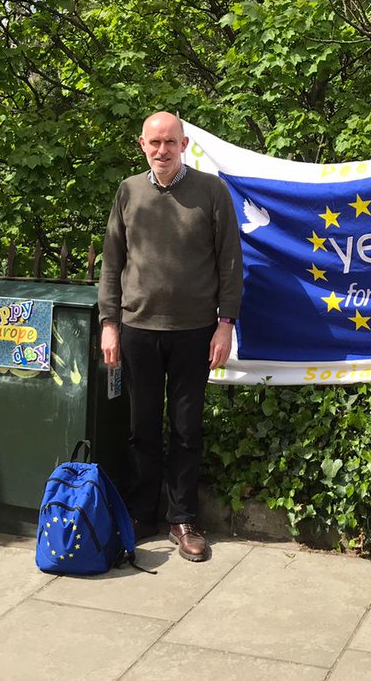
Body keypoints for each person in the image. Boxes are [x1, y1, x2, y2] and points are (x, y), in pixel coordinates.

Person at [99, 111, 242, 562]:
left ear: (184, 145)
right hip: (138, 329)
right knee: (141, 429)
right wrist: (109, 322)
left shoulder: (211, 192)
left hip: (195, 332)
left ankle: (183, 519)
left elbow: (230, 263)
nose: (162, 151)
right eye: (154, 143)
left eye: (170, 142)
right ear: (142, 144)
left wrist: (226, 323)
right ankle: (142, 513)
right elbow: (111, 261)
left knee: (185, 430)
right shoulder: (129, 191)